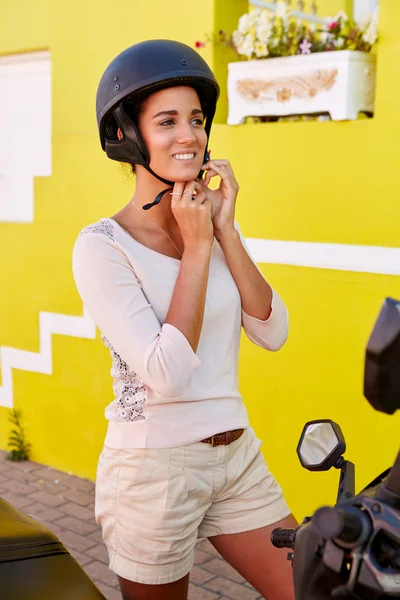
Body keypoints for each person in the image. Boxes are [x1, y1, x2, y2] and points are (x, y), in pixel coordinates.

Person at [72, 39, 296, 600]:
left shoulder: (210, 228)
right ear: (127, 136)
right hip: (154, 471)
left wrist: (224, 232)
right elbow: (164, 372)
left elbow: (272, 331)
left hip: (238, 457)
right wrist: (197, 248)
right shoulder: (102, 247)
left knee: (314, 587)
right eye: (167, 121)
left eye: (196, 120)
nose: (189, 136)